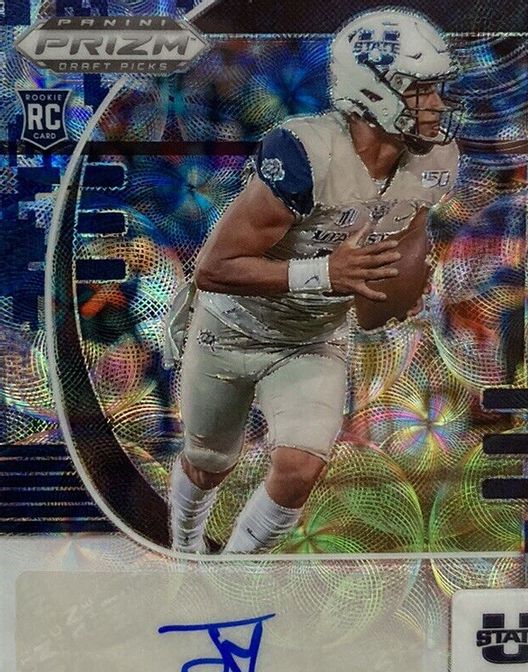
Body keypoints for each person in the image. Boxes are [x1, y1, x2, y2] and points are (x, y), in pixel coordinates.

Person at [168, 7, 461, 554]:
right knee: (209, 464)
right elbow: (214, 268)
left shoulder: (436, 159)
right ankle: (183, 548)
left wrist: (403, 286)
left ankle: (228, 574)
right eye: (422, 89)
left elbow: (398, 256)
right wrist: (324, 272)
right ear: (375, 92)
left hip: (312, 337)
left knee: (300, 468)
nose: (438, 104)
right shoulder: (308, 152)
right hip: (230, 330)